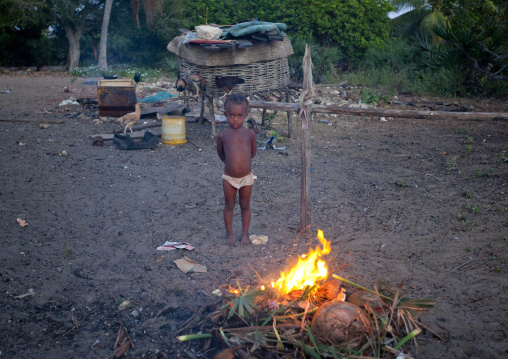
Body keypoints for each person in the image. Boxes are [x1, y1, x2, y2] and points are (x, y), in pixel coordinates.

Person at [217, 93, 257, 246]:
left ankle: (245, 234)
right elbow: (221, 153)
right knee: (229, 205)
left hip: (246, 177)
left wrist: (242, 164)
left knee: (245, 205)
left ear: (245, 115)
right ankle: (230, 234)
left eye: (239, 115)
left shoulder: (249, 133)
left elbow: (252, 153)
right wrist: (230, 164)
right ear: (226, 115)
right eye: (231, 115)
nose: (235, 119)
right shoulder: (223, 135)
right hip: (229, 178)